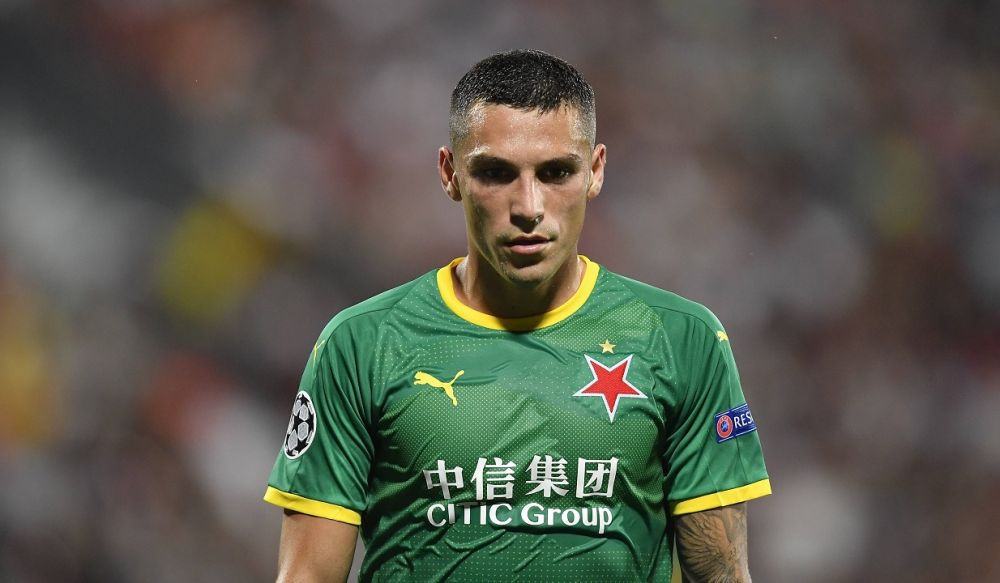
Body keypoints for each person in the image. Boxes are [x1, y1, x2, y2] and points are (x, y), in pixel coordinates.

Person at [264, 49, 770, 582]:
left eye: (556, 172)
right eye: (495, 173)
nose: (528, 206)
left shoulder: (681, 339)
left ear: (595, 171)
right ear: (450, 174)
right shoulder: (362, 345)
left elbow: (721, 574)